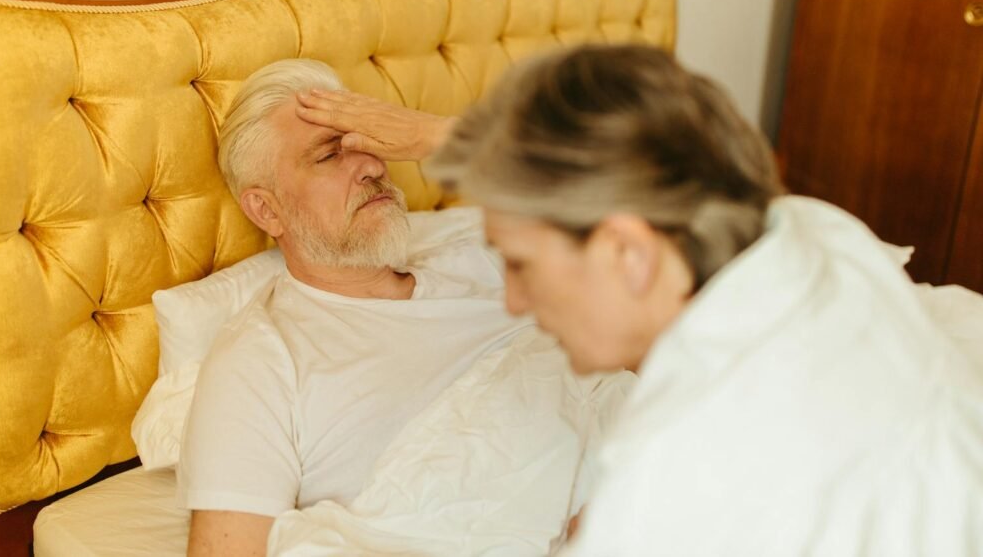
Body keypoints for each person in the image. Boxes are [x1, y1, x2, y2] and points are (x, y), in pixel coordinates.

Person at [300, 43, 983, 556]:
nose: (513, 299)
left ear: (628, 253)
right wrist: (430, 135)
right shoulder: (815, 234)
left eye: (521, 262)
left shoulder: (673, 480)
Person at [180, 59, 527, 557]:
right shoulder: (261, 362)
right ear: (266, 209)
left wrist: (441, 136)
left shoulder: (483, 256)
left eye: (369, 142)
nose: (372, 165)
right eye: (329, 155)